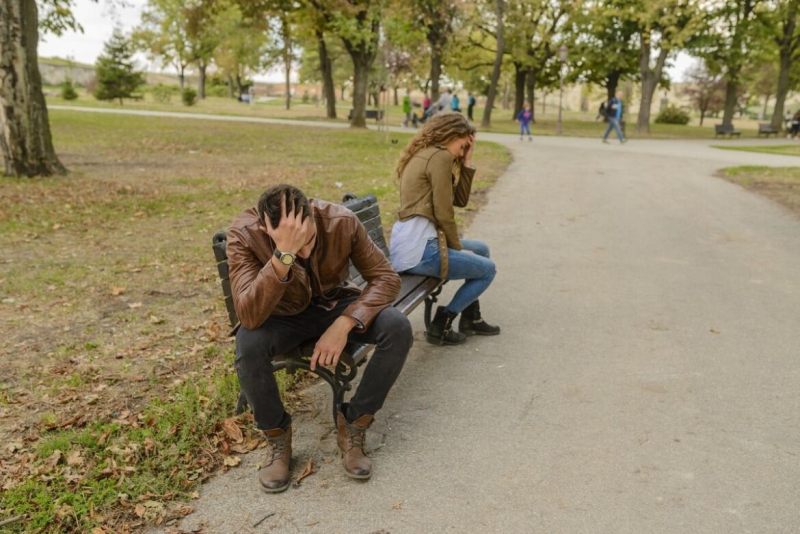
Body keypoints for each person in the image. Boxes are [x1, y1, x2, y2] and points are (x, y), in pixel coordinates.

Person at [227, 184, 413, 493]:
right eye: (291, 246)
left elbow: (386, 279)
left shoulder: (340, 221)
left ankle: (353, 426)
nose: (304, 252)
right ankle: (277, 439)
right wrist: (282, 256)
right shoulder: (245, 233)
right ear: (265, 228)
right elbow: (248, 315)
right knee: (248, 345)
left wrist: (344, 323)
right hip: (281, 315)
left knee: (398, 326)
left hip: (334, 306)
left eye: (308, 239)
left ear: (313, 214)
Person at [389, 113, 501, 346]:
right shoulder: (438, 157)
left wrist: (468, 161)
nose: (461, 153)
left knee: (481, 249)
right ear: (451, 135)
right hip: (420, 250)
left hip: (416, 242)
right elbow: (443, 213)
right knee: (488, 270)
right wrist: (457, 248)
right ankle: (443, 321)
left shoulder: (430, 153)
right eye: (462, 146)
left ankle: (470, 318)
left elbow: (458, 201)